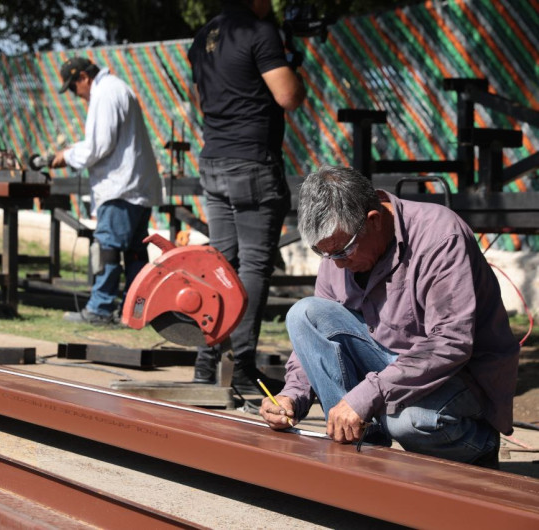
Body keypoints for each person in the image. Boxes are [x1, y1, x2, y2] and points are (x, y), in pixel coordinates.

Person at [260, 165, 520, 468]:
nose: (337, 264)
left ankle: (479, 445)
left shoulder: (439, 236)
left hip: (457, 376)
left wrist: (367, 396)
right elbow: (315, 340)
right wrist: (291, 397)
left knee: (409, 422)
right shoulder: (338, 247)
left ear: (373, 221)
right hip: (387, 366)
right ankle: (358, 445)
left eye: (343, 252)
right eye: (326, 255)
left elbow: (451, 342)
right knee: (304, 313)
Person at [188, 0, 305, 393]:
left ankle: (206, 363)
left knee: (220, 262)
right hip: (251, 161)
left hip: (214, 160)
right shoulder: (259, 32)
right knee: (253, 266)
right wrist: (293, 67)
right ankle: (241, 369)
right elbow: (288, 95)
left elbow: (201, 101)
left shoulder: (204, 36)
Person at [51, 57, 164, 325]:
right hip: (135, 186)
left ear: (83, 78)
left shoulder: (105, 93)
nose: (76, 95)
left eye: (73, 88)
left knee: (108, 248)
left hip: (120, 187)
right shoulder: (117, 88)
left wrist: (67, 156)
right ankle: (134, 311)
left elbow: (98, 145)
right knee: (135, 252)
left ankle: (100, 308)